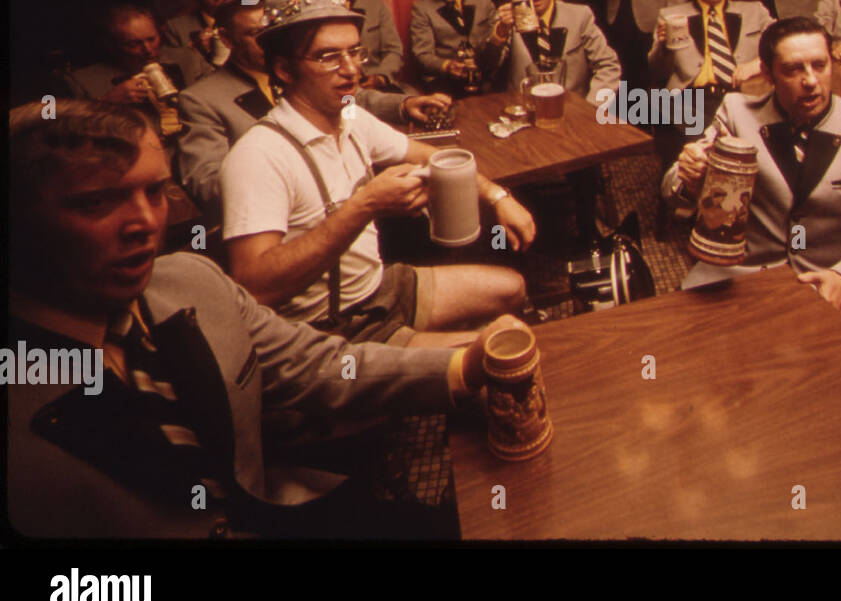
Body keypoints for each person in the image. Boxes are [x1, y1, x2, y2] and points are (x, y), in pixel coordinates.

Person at [7, 98, 525, 538]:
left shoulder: (191, 279)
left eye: (154, 191)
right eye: (97, 202)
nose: (145, 223)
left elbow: (318, 366)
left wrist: (465, 366)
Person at [221, 0, 535, 342]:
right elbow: (254, 286)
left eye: (355, 52)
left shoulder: (351, 117)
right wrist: (366, 204)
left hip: (377, 290)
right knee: (494, 353)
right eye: (328, 56)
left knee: (514, 288)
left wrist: (499, 198)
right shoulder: (258, 156)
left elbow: (431, 156)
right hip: (326, 331)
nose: (351, 69)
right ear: (285, 70)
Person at [662, 16, 841, 326]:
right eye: (794, 69)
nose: (811, 80)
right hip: (740, 282)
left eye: (819, 65)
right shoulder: (736, 113)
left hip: (826, 290)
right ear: (769, 74)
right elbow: (673, 189)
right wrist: (689, 177)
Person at [177, 0, 452, 220]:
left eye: (271, 31)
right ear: (226, 39)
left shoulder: (300, 71)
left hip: (355, 207)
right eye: (254, 35)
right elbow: (207, 185)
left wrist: (403, 105)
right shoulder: (201, 99)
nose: (268, 41)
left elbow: (351, 102)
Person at [648, 0, 771, 132]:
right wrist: (663, 47)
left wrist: (759, 63)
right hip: (690, 100)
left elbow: (783, 46)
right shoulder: (671, 17)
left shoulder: (755, 11)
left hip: (741, 96)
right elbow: (658, 71)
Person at [64, 4, 211, 156]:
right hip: (139, 157)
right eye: (134, 44)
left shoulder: (189, 59)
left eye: (152, 39)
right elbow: (71, 136)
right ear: (111, 45)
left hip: (200, 147)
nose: (147, 50)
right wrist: (106, 102)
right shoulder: (83, 81)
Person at [481, 0, 622, 105]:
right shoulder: (507, 20)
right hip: (524, 110)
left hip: (571, 111)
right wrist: (499, 34)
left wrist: (591, 107)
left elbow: (609, 66)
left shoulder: (580, 16)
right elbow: (485, 71)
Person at [307, 0, 405, 90]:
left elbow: (394, 51)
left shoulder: (376, 5)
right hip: (338, 87)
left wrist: (381, 77)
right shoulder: (314, 14)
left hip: (379, 84)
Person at [409, 0, 497, 96]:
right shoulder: (422, 8)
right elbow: (422, 55)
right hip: (445, 82)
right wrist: (448, 66)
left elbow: (496, 43)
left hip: (483, 77)